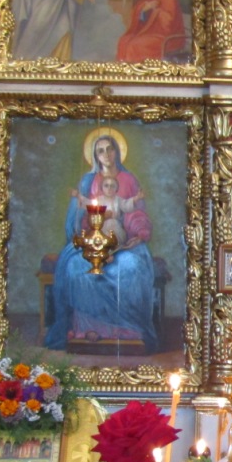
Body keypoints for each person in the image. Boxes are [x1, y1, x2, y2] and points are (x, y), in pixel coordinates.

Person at [45, 133, 158, 352]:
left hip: (123, 242)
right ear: (95, 156)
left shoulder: (128, 180)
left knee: (132, 267)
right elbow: (78, 215)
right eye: (100, 150)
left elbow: (135, 212)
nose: (106, 154)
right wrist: (86, 223)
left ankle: (126, 330)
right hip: (93, 240)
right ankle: (86, 328)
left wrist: (140, 233)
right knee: (76, 266)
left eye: (109, 149)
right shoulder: (88, 181)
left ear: (117, 151)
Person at [116, 0, 185, 63]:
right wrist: (144, 9)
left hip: (166, 36)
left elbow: (169, 20)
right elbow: (140, 10)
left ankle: (136, 70)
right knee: (123, 41)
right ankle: (124, 68)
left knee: (135, 45)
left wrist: (155, 10)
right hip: (148, 31)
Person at [72, 174, 144, 245]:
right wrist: (78, 195)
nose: (109, 188)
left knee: (114, 236)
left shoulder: (118, 200)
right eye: (106, 186)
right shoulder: (99, 200)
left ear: (116, 189)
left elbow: (126, 205)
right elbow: (89, 204)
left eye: (112, 186)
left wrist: (137, 198)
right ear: (102, 188)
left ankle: (112, 247)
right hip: (101, 226)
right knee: (97, 238)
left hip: (114, 226)